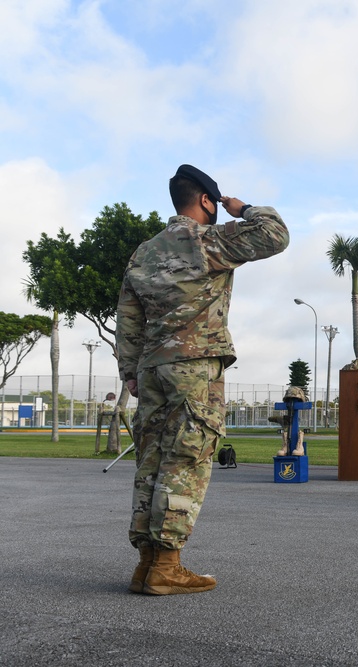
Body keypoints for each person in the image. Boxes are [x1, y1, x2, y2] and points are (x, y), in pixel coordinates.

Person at [117, 164, 289, 595]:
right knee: (187, 458)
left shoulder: (144, 252)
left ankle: (146, 563)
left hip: (151, 368)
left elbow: (128, 318)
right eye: (217, 202)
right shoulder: (207, 240)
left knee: (152, 461)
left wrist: (131, 372)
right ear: (206, 201)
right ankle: (168, 565)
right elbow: (275, 234)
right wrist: (244, 207)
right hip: (194, 367)